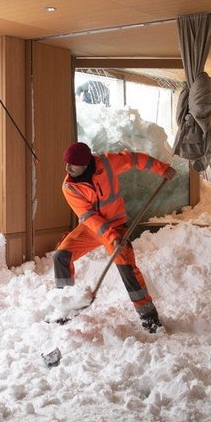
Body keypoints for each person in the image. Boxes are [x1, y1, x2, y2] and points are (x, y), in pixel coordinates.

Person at [53, 142, 176, 333]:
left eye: (72, 164)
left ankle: (149, 317)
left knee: (127, 267)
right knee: (61, 256)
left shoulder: (107, 163)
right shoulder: (69, 186)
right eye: (66, 163)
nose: (67, 168)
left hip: (117, 225)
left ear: (85, 164)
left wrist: (163, 169)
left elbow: (135, 159)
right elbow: (89, 217)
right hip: (91, 228)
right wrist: (111, 237)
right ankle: (65, 307)